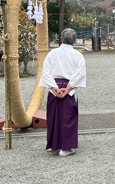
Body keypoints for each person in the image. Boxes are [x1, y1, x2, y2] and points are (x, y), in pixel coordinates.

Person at [39, 28, 86, 157]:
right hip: (67, 89)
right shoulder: (77, 55)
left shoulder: (52, 54)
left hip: (55, 89)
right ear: (75, 40)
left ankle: (55, 144)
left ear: (61, 39)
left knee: (54, 117)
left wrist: (54, 87)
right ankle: (65, 148)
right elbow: (79, 73)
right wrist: (69, 88)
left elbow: (46, 72)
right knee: (68, 118)